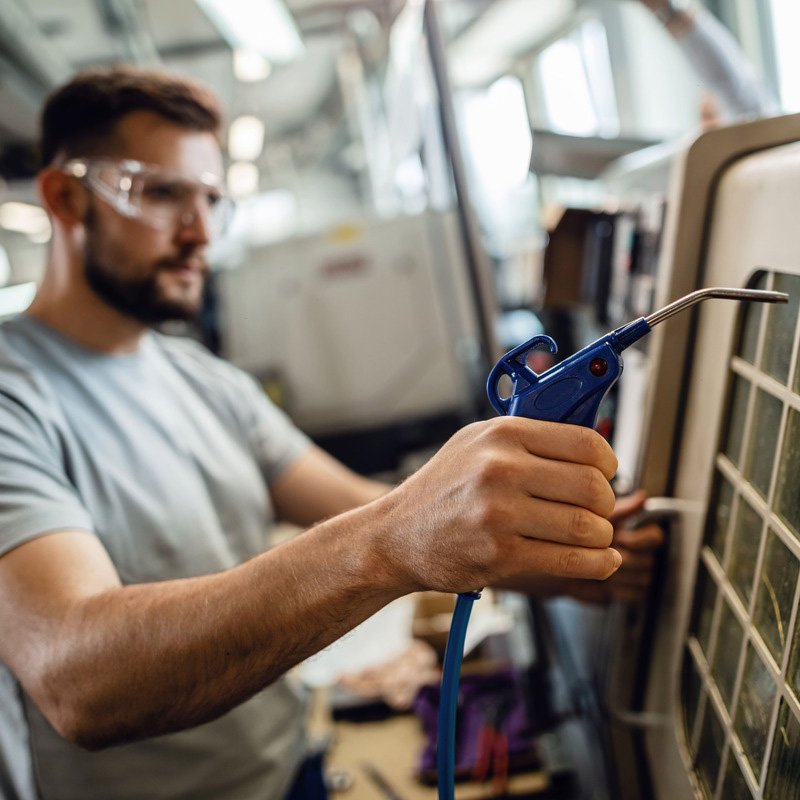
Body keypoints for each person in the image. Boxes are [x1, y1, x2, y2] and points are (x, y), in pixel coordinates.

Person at [0, 65, 659, 800]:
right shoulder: (13, 396)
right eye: (161, 193)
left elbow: (362, 503)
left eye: (211, 200)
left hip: (291, 770)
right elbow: (77, 679)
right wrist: (387, 542)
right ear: (64, 197)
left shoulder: (203, 381)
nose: (200, 233)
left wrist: (581, 557)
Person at [638, 0, 775, 124]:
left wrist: (669, 10)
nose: (709, 125)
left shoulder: (755, 122)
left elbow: (734, 91)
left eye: (709, 116)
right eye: (705, 117)